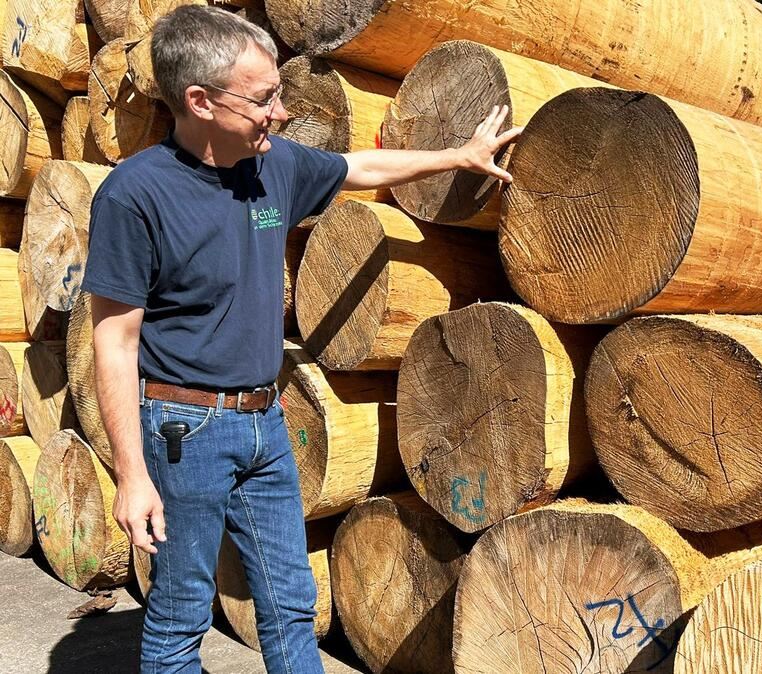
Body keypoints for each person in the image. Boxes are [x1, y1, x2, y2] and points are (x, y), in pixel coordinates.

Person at [80, 6, 520, 672]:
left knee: (290, 607)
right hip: (182, 433)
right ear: (199, 101)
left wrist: (458, 155)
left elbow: (359, 168)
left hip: (267, 424)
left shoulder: (273, 166)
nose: (282, 112)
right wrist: (132, 476)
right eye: (263, 98)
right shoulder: (133, 197)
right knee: (178, 622)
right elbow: (113, 341)